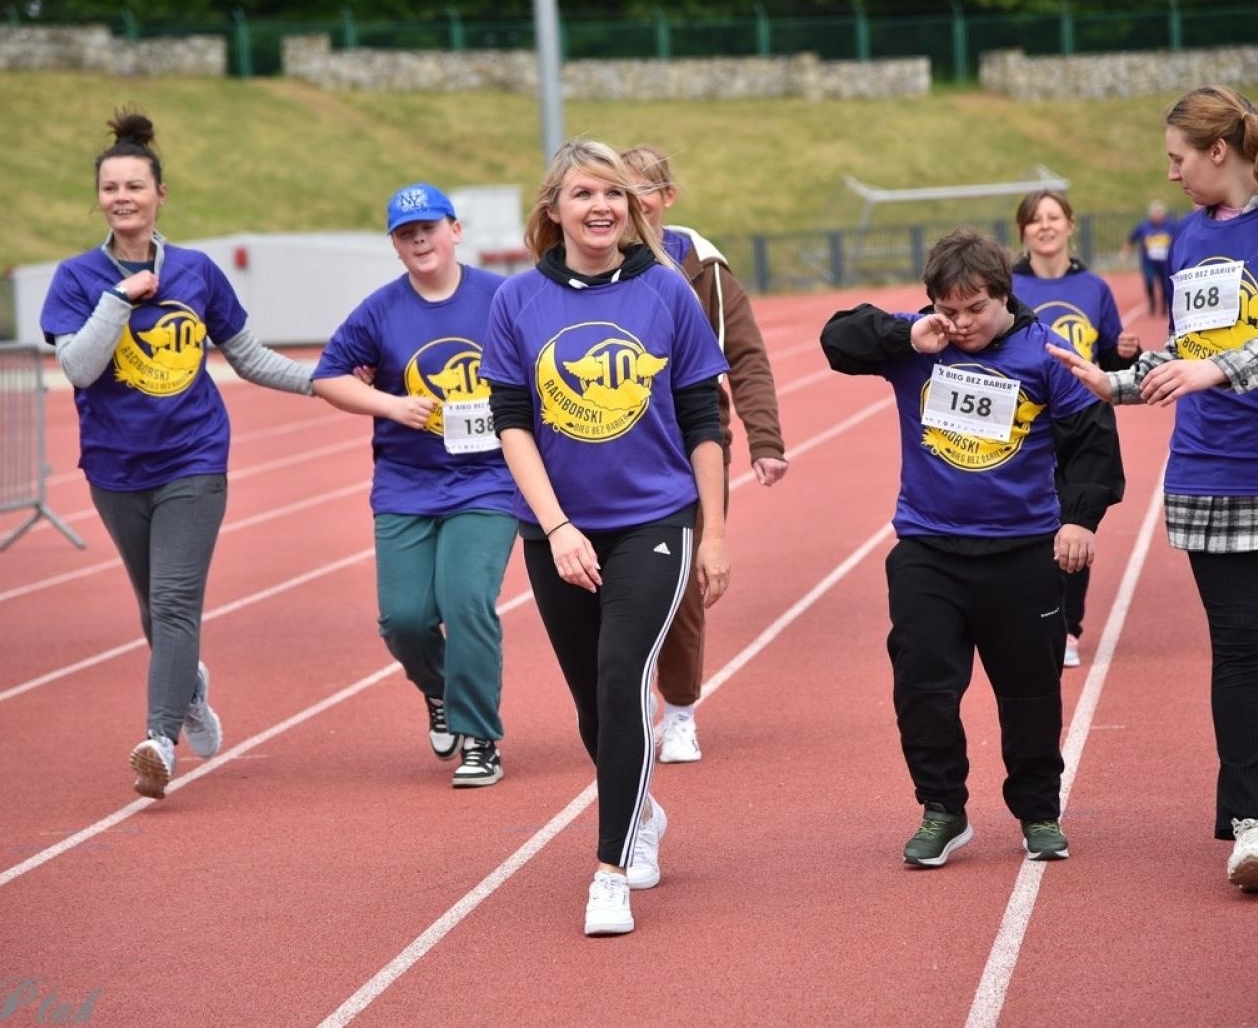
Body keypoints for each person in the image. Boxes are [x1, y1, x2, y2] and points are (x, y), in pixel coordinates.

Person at [1048, 85, 1258, 893]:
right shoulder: (1189, 237)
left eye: (1177, 158)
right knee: (1240, 644)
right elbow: (1189, 351)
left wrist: (1217, 368)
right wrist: (1115, 382)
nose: (1172, 174)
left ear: (1218, 151)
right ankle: (1252, 825)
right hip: (1210, 474)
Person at [480, 140, 730, 935]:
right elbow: (511, 425)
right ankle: (643, 810)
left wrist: (713, 533)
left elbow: (704, 422)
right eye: (584, 193)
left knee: (624, 678)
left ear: (631, 209)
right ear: (553, 208)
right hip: (556, 530)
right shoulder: (516, 303)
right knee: (594, 704)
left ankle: (610, 869)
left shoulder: (666, 291)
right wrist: (555, 527)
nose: (601, 208)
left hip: (656, 520)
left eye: (614, 195)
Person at [821, 227, 1124, 870]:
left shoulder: (1047, 354)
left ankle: (1039, 811)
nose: (960, 324)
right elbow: (837, 339)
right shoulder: (919, 342)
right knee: (923, 687)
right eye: (948, 309)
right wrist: (906, 335)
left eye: (975, 309)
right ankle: (943, 809)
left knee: (1030, 694)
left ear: (1004, 298)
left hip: (1023, 553)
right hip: (929, 550)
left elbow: (1093, 439)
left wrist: (1080, 518)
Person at [40, 110, 315, 799]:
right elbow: (78, 367)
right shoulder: (77, 279)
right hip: (115, 468)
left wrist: (321, 380)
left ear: (160, 193)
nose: (123, 196)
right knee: (153, 610)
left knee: (172, 600)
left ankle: (159, 740)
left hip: (194, 459)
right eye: (111, 187)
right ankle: (189, 685)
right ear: (99, 197)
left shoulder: (197, 271)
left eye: (135, 184)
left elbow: (246, 356)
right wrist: (118, 299)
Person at [310, 183, 517, 788]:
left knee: (465, 602)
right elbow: (328, 378)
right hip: (407, 482)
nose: (420, 239)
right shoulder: (381, 310)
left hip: (487, 480)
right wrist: (389, 404)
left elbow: (539, 363)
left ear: (455, 230)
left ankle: (480, 737)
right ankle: (440, 690)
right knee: (404, 620)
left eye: (430, 227)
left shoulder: (501, 297)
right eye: (407, 233)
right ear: (396, 246)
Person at [619, 144, 788, 764]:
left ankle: (680, 709)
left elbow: (745, 355)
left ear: (666, 197)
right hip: (609, 442)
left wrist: (765, 440)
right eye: (617, 188)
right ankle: (625, 696)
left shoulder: (704, 267)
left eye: (642, 190)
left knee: (683, 581)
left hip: (691, 443)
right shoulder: (589, 264)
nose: (629, 202)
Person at [1013, 189, 1139, 670]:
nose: (1045, 226)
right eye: (1035, 219)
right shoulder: (1005, 286)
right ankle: (1026, 617)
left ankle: (1066, 626)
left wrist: (1123, 353)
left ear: (1070, 224)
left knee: (1075, 519)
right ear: (1022, 230)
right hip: (1023, 423)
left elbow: (1106, 358)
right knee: (1025, 523)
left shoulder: (1093, 287)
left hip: (1081, 421)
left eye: (1053, 217)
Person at [1119, 200, 1177, 318]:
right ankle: (1152, 304)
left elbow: (1179, 239)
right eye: (1155, 213)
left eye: (1159, 213)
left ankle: (1164, 307)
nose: (1157, 215)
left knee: (1165, 285)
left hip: (1165, 262)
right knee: (1149, 282)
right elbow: (1131, 239)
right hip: (1148, 262)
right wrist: (1125, 252)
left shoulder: (1170, 226)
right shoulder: (1144, 226)